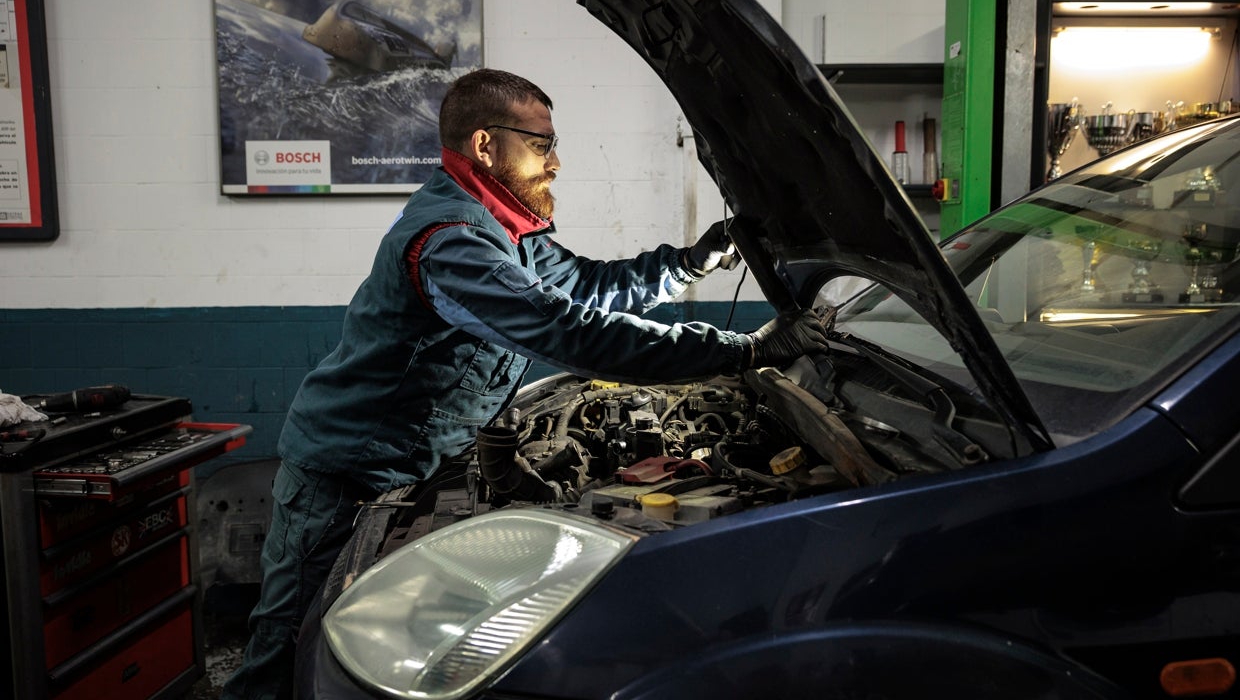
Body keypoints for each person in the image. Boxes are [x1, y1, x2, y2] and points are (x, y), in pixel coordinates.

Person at [221, 68, 829, 700]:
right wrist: (740, 350)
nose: (557, 162)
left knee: (373, 644)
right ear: (485, 146)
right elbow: (566, 331)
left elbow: (590, 288)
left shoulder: (503, 230)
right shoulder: (451, 240)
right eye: (541, 145)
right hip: (345, 479)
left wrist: (689, 262)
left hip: (412, 469)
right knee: (287, 650)